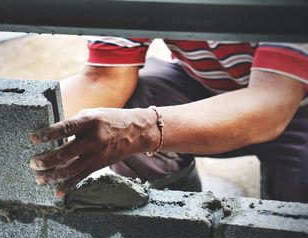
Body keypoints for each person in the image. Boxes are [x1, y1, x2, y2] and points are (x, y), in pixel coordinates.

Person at [29, 37, 308, 203]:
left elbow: (271, 103)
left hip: (294, 103)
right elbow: (104, 77)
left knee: (292, 212)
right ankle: (180, 223)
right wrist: (23, 129)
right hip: (203, 84)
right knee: (137, 97)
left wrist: (142, 129)